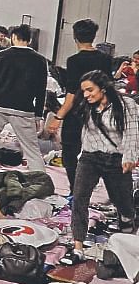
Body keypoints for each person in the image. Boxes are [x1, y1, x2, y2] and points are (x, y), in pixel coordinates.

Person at [62, 70, 139, 265]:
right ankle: (78, 247)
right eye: (84, 91)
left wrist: (130, 157)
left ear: (103, 88)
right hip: (90, 157)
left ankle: (127, 225)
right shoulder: (87, 106)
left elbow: (132, 133)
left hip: (116, 159)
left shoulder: (126, 105)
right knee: (79, 198)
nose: (86, 95)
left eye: (90, 90)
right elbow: (85, 132)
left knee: (123, 203)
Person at [46, 19, 113, 190]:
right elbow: (109, 88)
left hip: (78, 112)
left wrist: (58, 116)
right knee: (96, 150)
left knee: (70, 152)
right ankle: (90, 185)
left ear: (75, 37)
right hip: (99, 111)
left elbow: (71, 94)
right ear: (93, 36)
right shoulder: (105, 59)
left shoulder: (74, 61)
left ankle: (77, 187)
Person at [0, 24, 49, 170]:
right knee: (32, 151)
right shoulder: (40, 60)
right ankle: (41, 182)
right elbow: (41, 90)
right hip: (23, 109)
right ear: (29, 40)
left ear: (13, 37)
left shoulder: (1, 56)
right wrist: (38, 115)